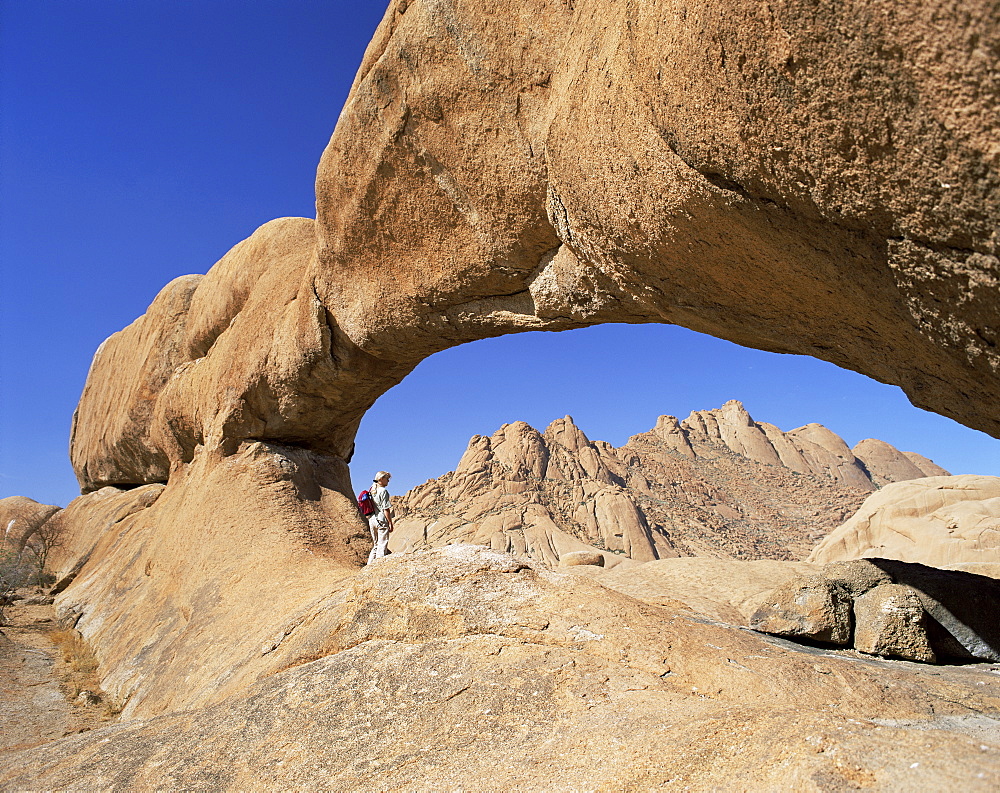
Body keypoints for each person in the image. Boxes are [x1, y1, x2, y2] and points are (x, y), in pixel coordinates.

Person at [367, 471, 394, 563]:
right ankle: (378, 567)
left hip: (372, 520)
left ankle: (369, 566)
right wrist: (390, 522)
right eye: (387, 479)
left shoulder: (372, 490)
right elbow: (386, 509)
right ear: (381, 479)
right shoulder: (383, 491)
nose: (388, 481)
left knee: (375, 545)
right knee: (382, 546)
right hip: (381, 520)